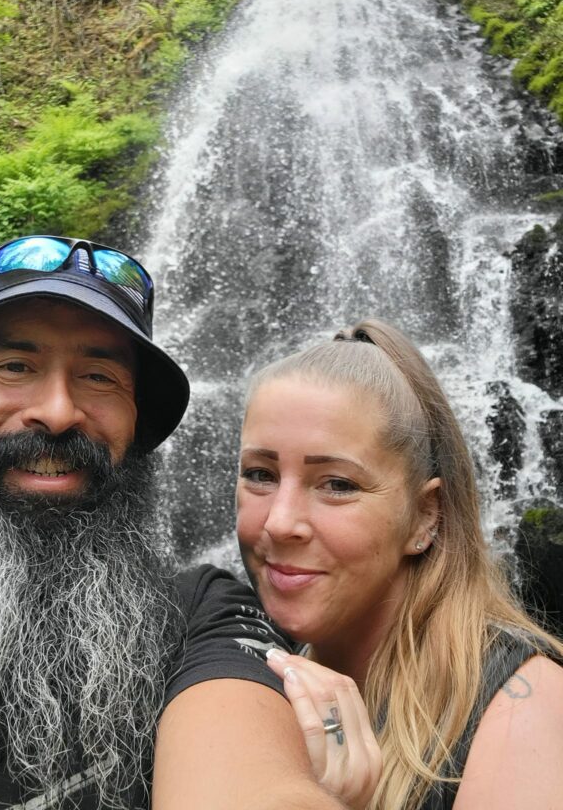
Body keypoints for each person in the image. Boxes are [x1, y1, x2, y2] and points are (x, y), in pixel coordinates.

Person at [0, 235, 342, 810]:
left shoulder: (203, 617)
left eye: (99, 377)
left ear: (136, 423)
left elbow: (248, 778)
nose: (57, 412)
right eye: (14, 366)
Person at [238, 319, 563, 810]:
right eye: (260, 474)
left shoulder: (524, 706)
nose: (280, 523)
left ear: (424, 517)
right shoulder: (252, 676)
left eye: (338, 484)